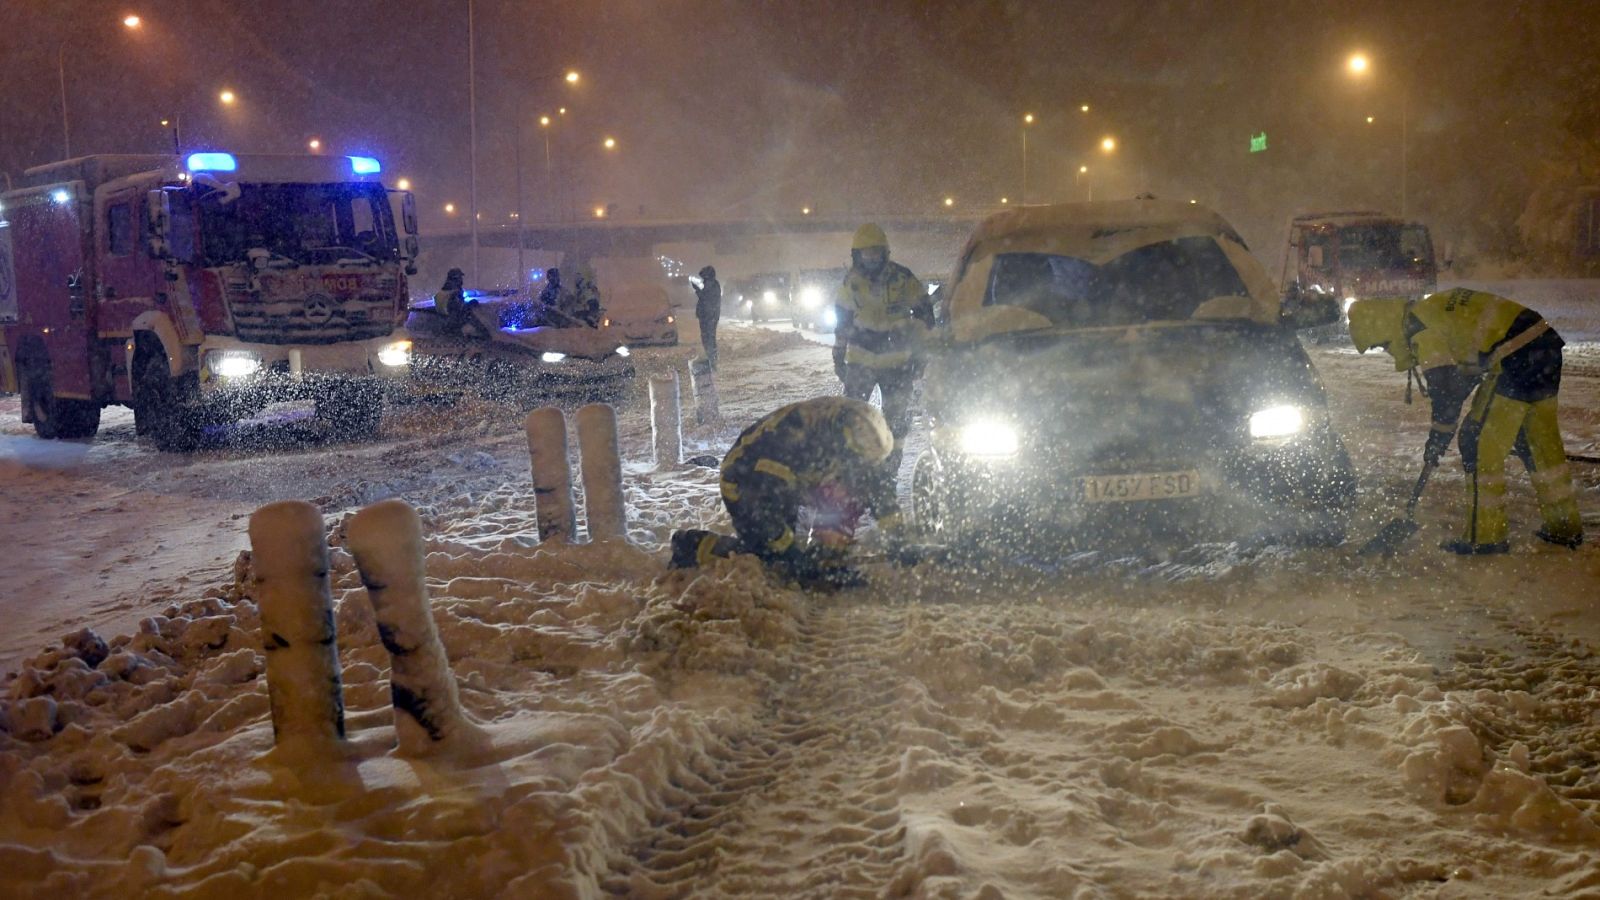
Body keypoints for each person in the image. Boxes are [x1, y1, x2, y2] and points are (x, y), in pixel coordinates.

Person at [1349, 289, 1584, 554]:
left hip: (1514, 358)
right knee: (1538, 443)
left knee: (1476, 441)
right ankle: (1564, 526)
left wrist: (1438, 436)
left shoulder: (1421, 329)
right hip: (1543, 347)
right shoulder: (1432, 311)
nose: (1386, 351)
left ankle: (1484, 537)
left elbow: (1446, 390)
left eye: (1381, 344)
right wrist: (1442, 427)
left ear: (1384, 327)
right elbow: (1463, 376)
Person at [668, 397, 909, 587]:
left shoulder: (856, 427)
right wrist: (793, 555)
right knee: (771, 559)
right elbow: (764, 511)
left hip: (796, 479)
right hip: (747, 481)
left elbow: (875, 483)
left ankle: (828, 555)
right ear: (841, 446)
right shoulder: (792, 444)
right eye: (856, 462)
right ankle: (692, 546)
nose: (861, 469)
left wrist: (898, 539)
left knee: (850, 490)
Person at [834, 224, 934, 473]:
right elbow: (843, 321)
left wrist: (922, 353)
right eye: (865, 254)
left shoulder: (903, 279)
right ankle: (854, 466)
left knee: (897, 418)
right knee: (853, 417)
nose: (871, 258)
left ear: (884, 252)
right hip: (861, 362)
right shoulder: (851, 283)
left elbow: (925, 316)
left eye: (875, 253)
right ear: (856, 255)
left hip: (898, 363)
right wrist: (838, 354)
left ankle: (891, 465)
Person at [434, 268, 487, 338]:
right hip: (452, 329)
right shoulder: (454, 294)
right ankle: (484, 334)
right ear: (455, 279)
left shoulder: (440, 293)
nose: (462, 281)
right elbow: (458, 311)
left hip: (442, 326)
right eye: (460, 278)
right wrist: (470, 304)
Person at [693, 265, 722, 370]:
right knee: (707, 337)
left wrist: (697, 290)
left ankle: (712, 360)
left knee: (708, 338)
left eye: (704, 277)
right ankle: (711, 359)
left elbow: (706, 299)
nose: (703, 280)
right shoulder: (712, 285)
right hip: (708, 315)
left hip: (709, 316)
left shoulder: (712, 285)